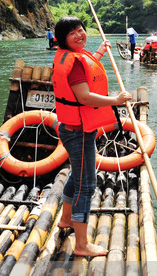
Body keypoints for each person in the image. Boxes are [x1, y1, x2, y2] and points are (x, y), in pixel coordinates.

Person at [52, 16, 132, 257]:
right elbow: (85, 97)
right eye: (72, 33)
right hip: (78, 132)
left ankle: (66, 220)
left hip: (74, 128)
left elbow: (82, 74)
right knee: (86, 185)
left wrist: (97, 53)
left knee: (78, 177)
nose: (79, 35)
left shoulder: (73, 57)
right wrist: (116, 100)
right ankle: (81, 245)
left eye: (81, 30)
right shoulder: (74, 61)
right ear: (63, 39)